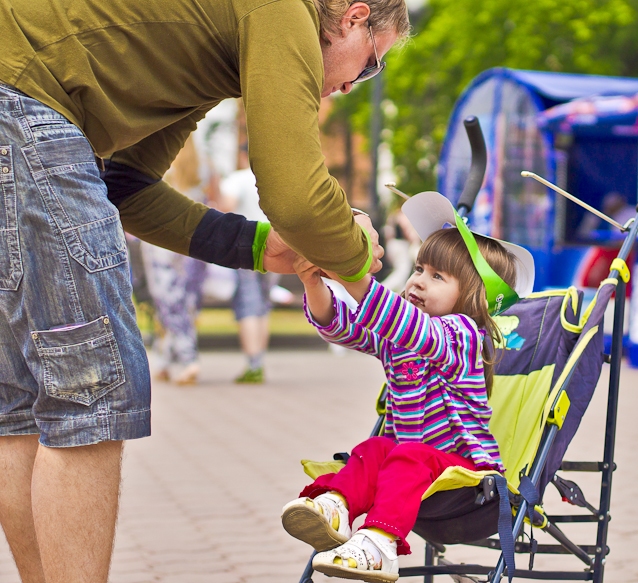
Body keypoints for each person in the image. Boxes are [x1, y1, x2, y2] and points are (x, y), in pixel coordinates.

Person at [0, 0, 406, 580]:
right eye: (369, 65)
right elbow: (296, 197)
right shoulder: (284, 11)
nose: (349, 87)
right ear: (353, 18)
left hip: (16, 95)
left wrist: (259, 247)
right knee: (92, 392)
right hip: (25, 102)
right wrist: (360, 256)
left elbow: (127, 186)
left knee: (25, 401)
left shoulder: (208, 50)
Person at [280, 192, 533, 582]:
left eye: (437, 276)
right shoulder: (402, 337)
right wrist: (313, 282)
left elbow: (414, 329)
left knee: (407, 454)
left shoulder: (462, 334)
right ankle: (335, 508)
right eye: (418, 269)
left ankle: (380, 544)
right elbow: (344, 327)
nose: (417, 281)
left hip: (463, 476)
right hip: (408, 464)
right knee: (375, 448)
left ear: (473, 296)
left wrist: (351, 274)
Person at [141, 137, 209, 385]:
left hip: (160, 242)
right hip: (195, 240)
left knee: (168, 301)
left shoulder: (158, 163)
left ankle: (188, 359)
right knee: (185, 301)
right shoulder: (202, 167)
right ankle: (165, 359)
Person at [219, 168, 277, 383]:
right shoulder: (274, 176)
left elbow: (227, 205)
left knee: (249, 304)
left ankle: (253, 365)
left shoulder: (239, 178)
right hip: (276, 245)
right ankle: (259, 361)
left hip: (248, 246)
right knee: (263, 306)